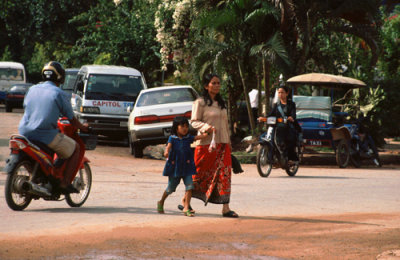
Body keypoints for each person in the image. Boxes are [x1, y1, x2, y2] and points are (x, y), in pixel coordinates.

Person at [18, 61, 88, 193]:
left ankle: (42, 175)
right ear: (60, 77)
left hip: (23, 132)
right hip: (44, 135)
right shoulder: (59, 93)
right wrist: (83, 127)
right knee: (75, 148)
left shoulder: (32, 89)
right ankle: (64, 183)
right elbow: (71, 119)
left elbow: (27, 107)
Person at [189, 73, 239, 218]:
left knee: (225, 176)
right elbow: (194, 121)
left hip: (223, 145)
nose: (217, 85)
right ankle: (186, 201)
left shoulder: (221, 103)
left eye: (218, 83)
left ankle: (225, 208)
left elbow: (225, 124)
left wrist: (228, 143)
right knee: (198, 174)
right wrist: (207, 127)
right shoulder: (199, 102)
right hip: (206, 144)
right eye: (214, 83)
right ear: (206, 86)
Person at [157, 116, 207, 217]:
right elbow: (169, 146)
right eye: (182, 126)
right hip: (175, 167)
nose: (185, 128)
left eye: (186, 126)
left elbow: (197, 138)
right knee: (170, 189)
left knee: (189, 187)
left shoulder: (188, 138)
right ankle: (161, 201)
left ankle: (186, 207)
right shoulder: (172, 138)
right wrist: (166, 152)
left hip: (187, 166)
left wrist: (207, 133)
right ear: (176, 128)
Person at [258, 84, 298, 162]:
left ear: (287, 93)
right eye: (279, 92)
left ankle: (287, 156)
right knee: (264, 137)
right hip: (276, 126)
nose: (280, 94)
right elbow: (270, 115)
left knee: (287, 140)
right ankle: (270, 156)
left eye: (282, 92)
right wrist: (264, 118)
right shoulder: (276, 105)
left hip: (287, 127)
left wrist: (291, 118)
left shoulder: (291, 104)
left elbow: (293, 115)